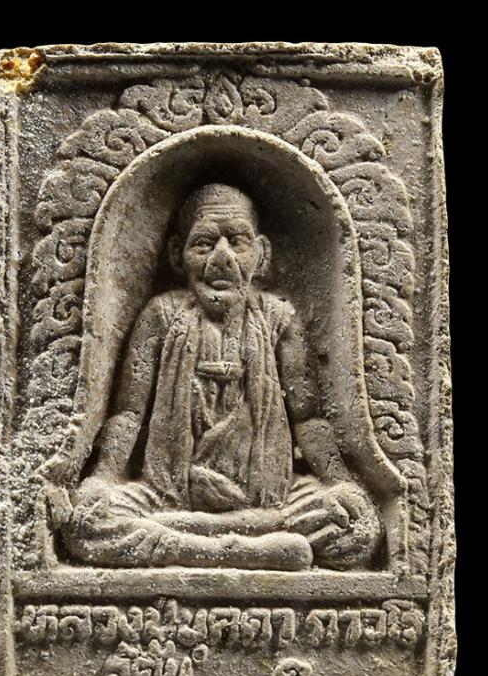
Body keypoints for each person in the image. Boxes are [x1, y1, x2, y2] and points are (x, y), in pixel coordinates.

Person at [57, 184, 380, 570]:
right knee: (85, 522)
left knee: (357, 528)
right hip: (166, 498)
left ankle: (187, 544)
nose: (222, 258)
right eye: (204, 243)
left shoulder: (279, 319)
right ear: (178, 255)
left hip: (271, 500)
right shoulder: (160, 316)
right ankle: (251, 551)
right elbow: (128, 413)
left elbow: (307, 418)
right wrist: (102, 478)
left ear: (261, 254)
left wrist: (340, 482)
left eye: (238, 242)